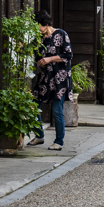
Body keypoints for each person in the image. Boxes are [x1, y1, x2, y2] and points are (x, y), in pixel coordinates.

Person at [28, 10, 73, 151]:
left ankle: (59, 141)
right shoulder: (39, 38)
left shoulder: (61, 34)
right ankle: (40, 136)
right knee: (33, 106)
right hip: (44, 79)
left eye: (38, 26)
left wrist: (49, 59)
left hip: (59, 79)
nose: (37, 29)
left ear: (46, 24)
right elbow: (36, 55)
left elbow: (68, 55)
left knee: (56, 110)